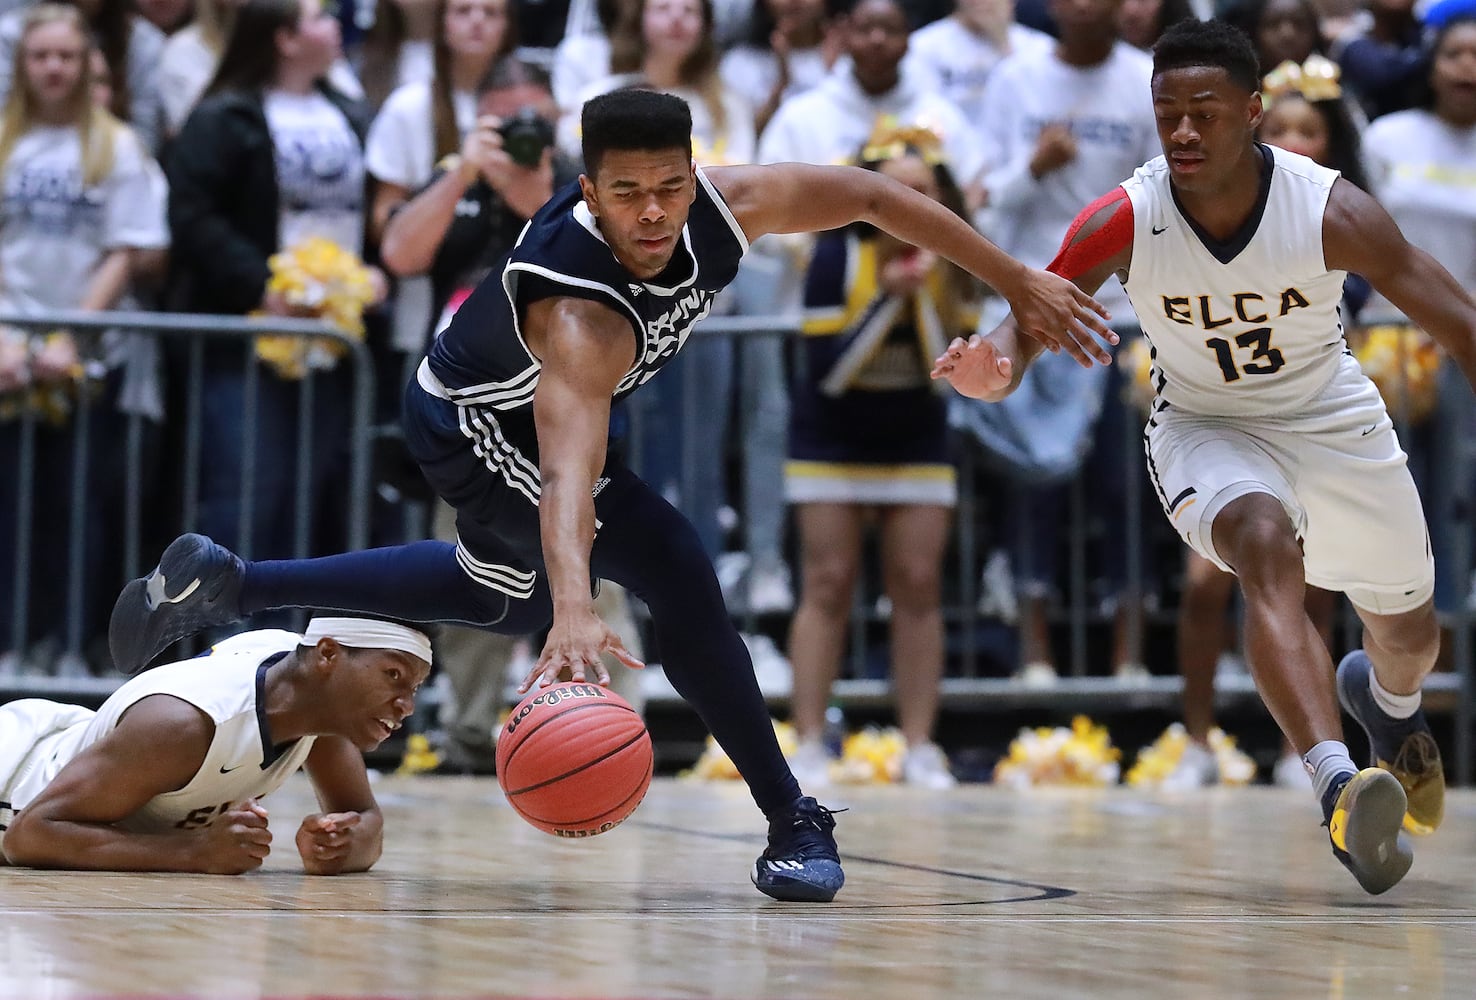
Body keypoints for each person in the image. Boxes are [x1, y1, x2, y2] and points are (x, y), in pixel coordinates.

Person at [109, 88, 1109, 903]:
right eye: (626, 193)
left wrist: (1014, 278)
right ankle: (792, 815)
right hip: (471, 421)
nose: (651, 214)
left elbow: (873, 197)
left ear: (693, 175)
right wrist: (580, 610)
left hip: (535, 420)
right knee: (649, 568)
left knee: (499, 587)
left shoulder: (724, 206)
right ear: (590, 189)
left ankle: (230, 583)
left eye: (670, 188)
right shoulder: (578, 312)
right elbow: (567, 470)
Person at [931, 18, 1476, 895]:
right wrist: (996, 363)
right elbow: (1029, 314)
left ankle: (1388, 701)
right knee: (1263, 546)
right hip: (1205, 425)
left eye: (1205, 113)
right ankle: (1339, 783)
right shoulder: (1125, 216)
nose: (1183, 131)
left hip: (1332, 418)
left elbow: (1457, 322)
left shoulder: (1330, 208)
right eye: (1168, 111)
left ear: (1253, 113)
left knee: (1410, 638)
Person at [783, 126, 978, 791]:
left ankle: (919, 744)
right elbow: (828, 372)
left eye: (921, 192)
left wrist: (920, 293)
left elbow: (943, 370)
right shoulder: (835, 255)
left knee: (919, 586)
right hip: (831, 435)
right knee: (828, 583)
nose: (909, 204)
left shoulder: (953, 259)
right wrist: (890, 298)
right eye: (895, 190)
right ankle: (809, 741)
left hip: (916, 436)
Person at [1, 617, 431, 873]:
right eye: (393, 675)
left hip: (75, 745)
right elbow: (29, 837)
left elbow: (366, 819)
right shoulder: (183, 725)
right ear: (327, 655)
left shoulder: (316, 707)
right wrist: (193, 852)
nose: (408, 705)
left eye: (416, 686)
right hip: (15, 773)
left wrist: (340, 846)